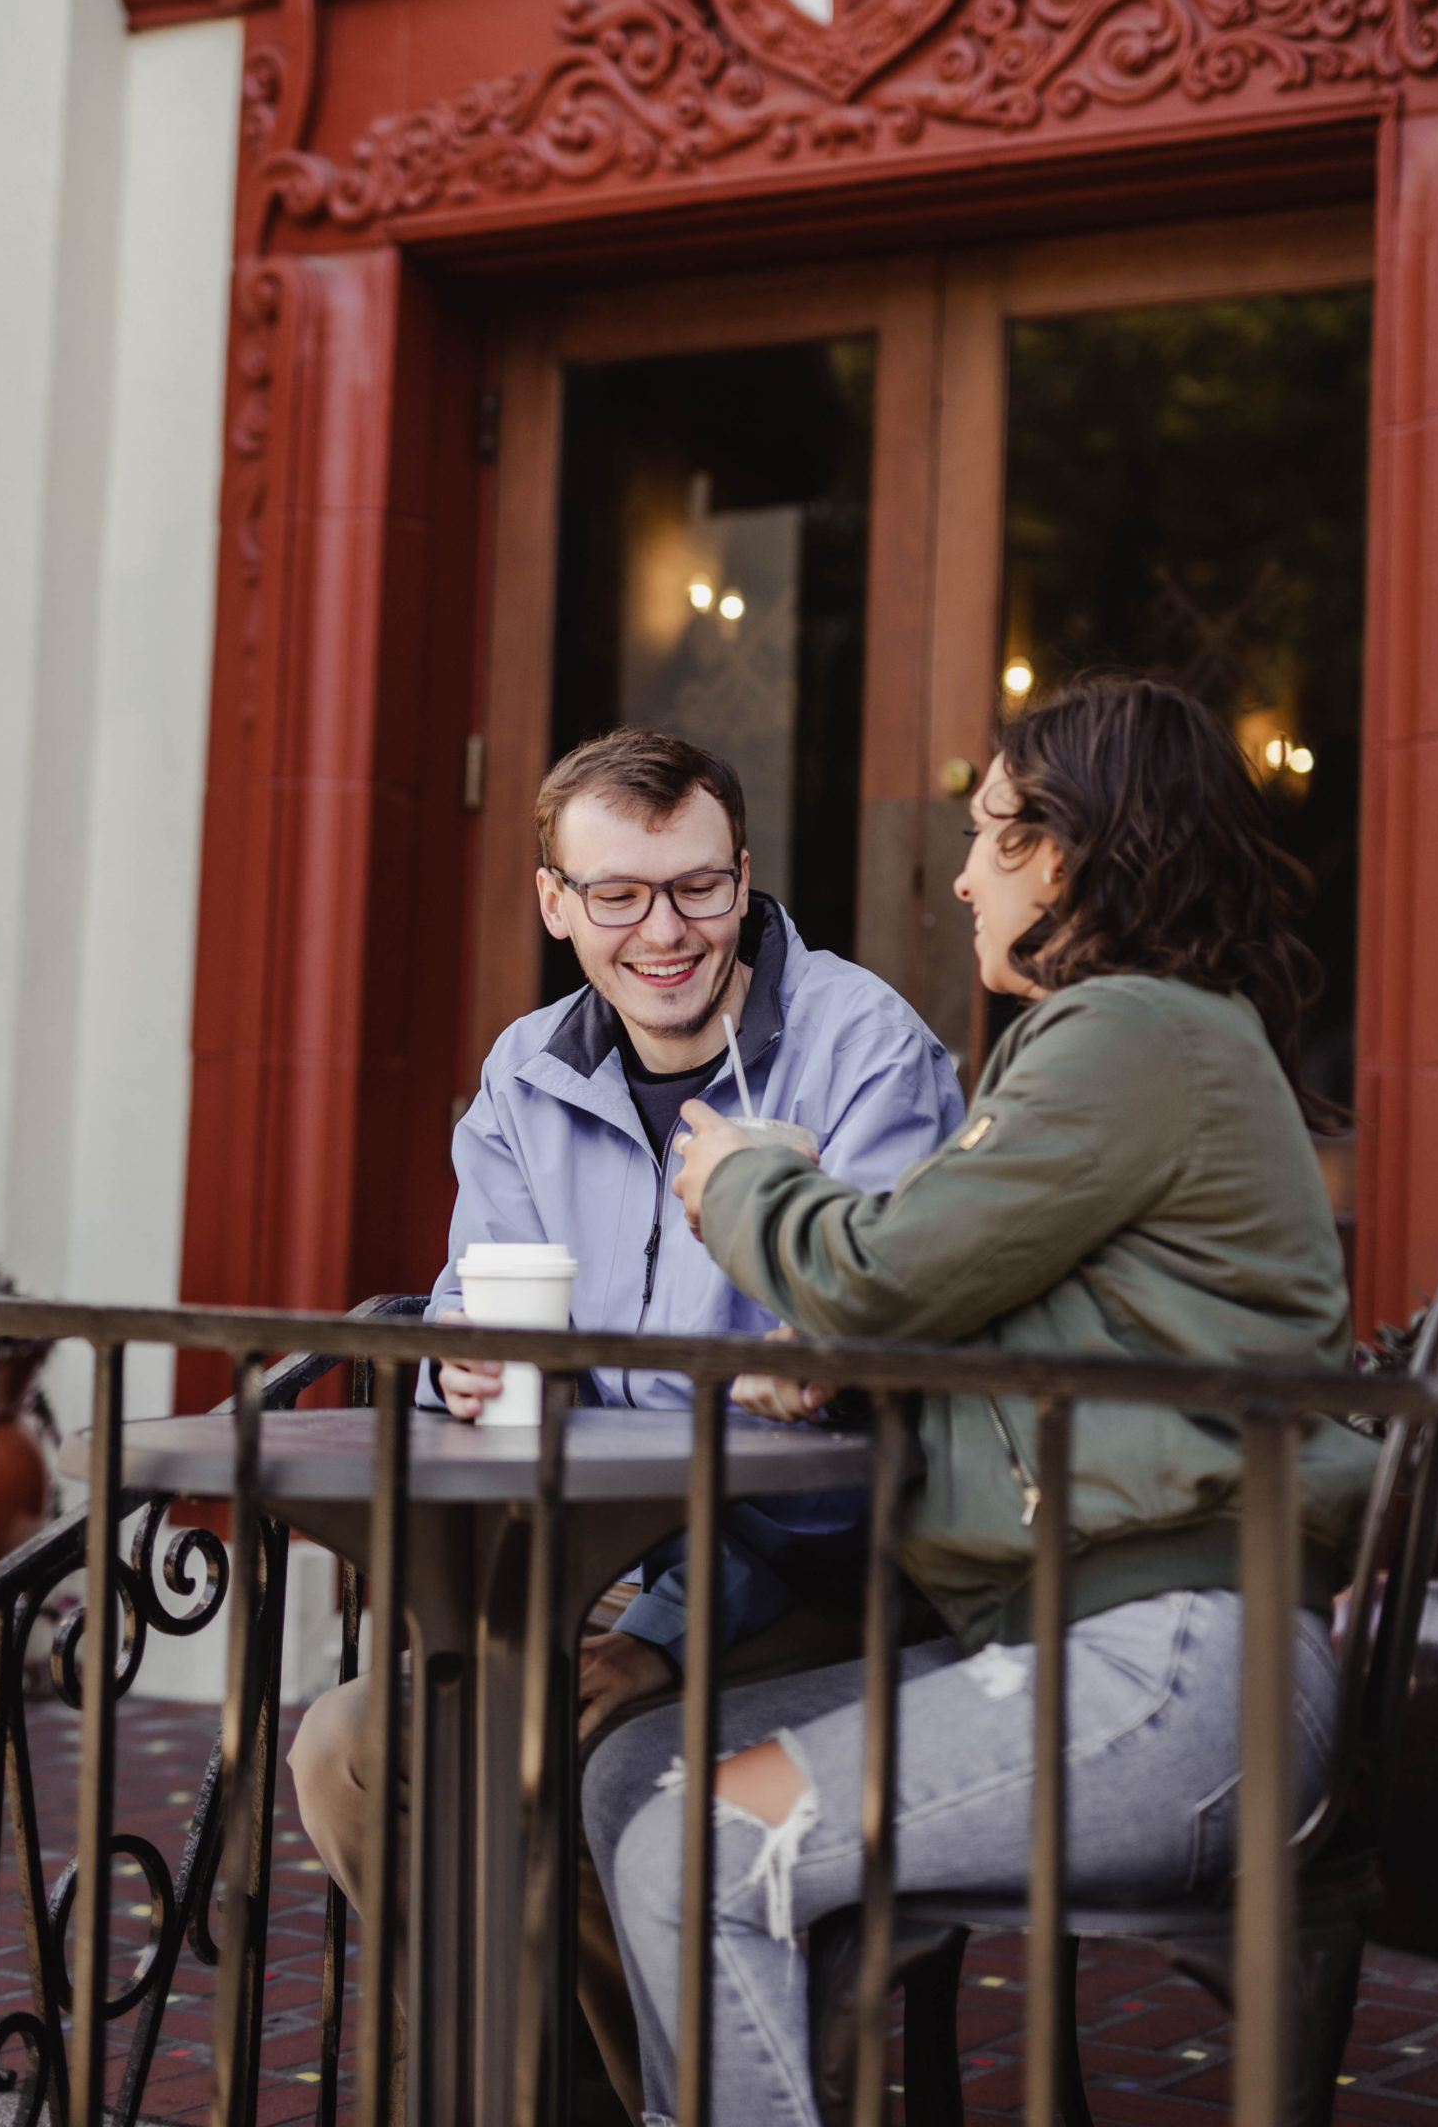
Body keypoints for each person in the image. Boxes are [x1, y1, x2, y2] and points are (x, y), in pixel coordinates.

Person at [582, 677, 1381, 2127]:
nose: (956, 876)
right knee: (641, 1768)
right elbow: (964, 1318)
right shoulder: (1140, 1039)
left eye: (988, 838)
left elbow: (881, 1268)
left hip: (1176, 1678)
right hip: (1079, 1654)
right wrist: (837, 1363)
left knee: (690, 1847)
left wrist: (740, 1177)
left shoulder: (1130, 1033)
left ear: (1063, 852)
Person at [288, 725, 962, 2118]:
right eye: (618, 896)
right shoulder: (524, 1075)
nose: (664, 932)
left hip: (840, 1579)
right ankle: (527, 2090)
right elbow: (472, 1318)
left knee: (590, 1762)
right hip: (608, 1573)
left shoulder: (858, 1048)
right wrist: (456, 1368)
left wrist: (661, 1634)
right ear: (554, 902)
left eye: (697, 889)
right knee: (350, 1748)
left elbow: (852, 1413)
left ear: (745, 877)